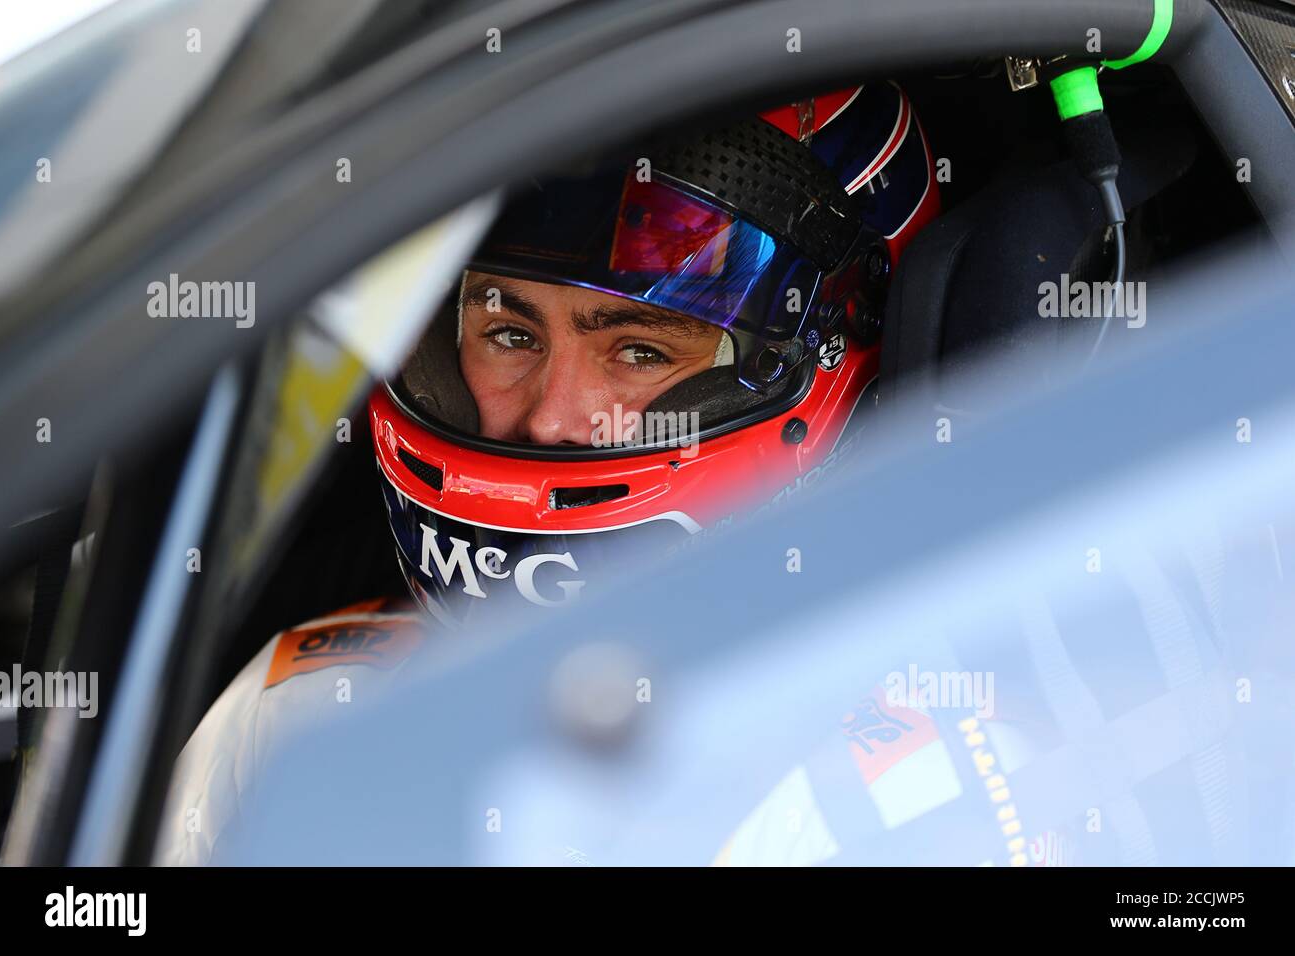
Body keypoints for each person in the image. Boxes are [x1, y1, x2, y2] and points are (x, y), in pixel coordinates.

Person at [156, 82, 940, 865]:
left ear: (843, 356)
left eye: (641, 351)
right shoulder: (301, 725)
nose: (553, 420)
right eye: (507, 332)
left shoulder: (939, 790)